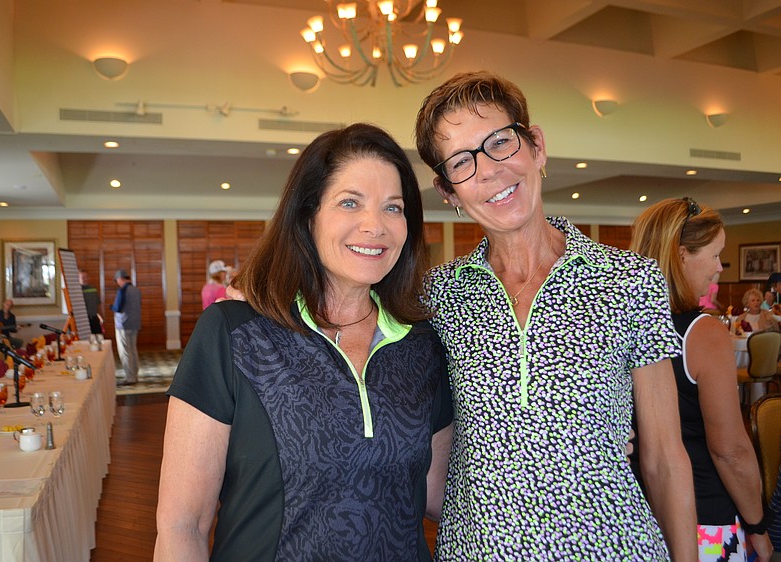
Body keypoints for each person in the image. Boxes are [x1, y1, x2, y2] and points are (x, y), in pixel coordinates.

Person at [413, 71, 696, 560]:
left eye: (499, 142)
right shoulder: (438, 295)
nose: (488, 171)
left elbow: (665, 458)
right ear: (449, 192)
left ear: (536, 145)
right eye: (462, 161)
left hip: (613, 546)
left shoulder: (631, 280)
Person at [154, 124, 453, 561]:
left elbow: (437, 494)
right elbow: (183, 526)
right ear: (307, 216)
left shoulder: (423, 345)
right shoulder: (236, 334)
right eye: (350, 202)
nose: (375, 226)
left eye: (394, 207)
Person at [631, 197, 774, 562]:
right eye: (714, 255)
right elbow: (730, 450)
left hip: (635, 517)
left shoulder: (620, 326)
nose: (719, 268)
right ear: (681, 256)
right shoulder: (703, 333)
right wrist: (758, 525)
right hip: (703, 518)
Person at [110, 269, 140, 386]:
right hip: (135, 324)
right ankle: (135, 374)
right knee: (133, 349)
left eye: (117, 280)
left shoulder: (122, 291)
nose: (117, 283)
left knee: (125, 351)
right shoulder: (137, 290)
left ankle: (130, 377)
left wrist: (110, 307)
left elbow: (117, 308)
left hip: (123, 325)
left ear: (121, 279)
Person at [78, 269, 102, 335]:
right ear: (78, 279)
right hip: (82, 321)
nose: (85, 279)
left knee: (98, 339)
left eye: (86, 277)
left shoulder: (93, 289)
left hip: (94, 319)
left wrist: (101, 317)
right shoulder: (76, 291)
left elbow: (98, 304)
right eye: (83, 277)